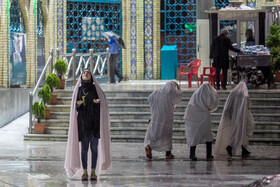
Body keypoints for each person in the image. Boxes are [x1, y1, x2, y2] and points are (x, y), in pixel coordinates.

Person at [65, 69, 112, 181]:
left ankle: (93, 172)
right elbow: (74, 108)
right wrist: (78, 105)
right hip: (83, 124)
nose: (86, 74)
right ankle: (85, 172)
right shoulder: (79, 90)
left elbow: (103, 103)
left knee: (94, 148)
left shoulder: (96, 90)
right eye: (84, 73)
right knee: (84, 149)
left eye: (88, 73)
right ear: (81, 76)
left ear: (91, 77)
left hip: (94, 124)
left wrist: (98, 103)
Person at [214, 82, 255, 157]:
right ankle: (231, 147)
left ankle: (243, 149)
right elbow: (248, 106)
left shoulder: (233, 93)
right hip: (243, 117)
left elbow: (228, 106)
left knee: (237, 132)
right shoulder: (245, 95)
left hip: (234, 117)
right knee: (242, 133)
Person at [144, 81, 182, 159]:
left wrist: (154, 108)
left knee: (155, 134)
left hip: (156, 117)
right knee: (167, 135)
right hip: (166, 119)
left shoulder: (158, 91)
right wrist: (178, 87)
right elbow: (179, 96)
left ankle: (149, 147)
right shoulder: (171, 94)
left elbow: (150, 98)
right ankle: (168, 153)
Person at [184, 83, 219, 161]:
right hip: (204, 116)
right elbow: (211, 105)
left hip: (193, 117)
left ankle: (192, 154)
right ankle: (208, 155)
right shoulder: (208, 94)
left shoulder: (196, 94)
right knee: (208, 135)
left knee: (194, 135)